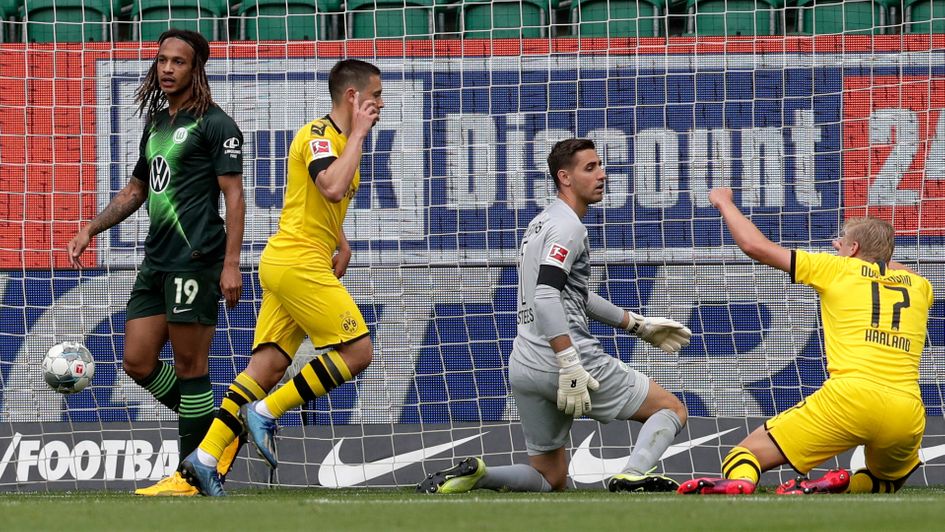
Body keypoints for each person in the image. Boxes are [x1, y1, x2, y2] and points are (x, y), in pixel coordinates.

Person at [417, 138, 692, 494]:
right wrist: (569, 363)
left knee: (550, 477)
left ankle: (480, 475)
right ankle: (634, 473)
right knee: (671, 409)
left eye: (600, 165)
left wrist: (637, 325)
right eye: (590, 168)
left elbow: (570, 293)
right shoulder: (569, 227)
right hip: (566, 360)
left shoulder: (540, 224)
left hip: (525, 364)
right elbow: (546, 295)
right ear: (565, 177)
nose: (602, 175)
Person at [180, 59, 383, 496]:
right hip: (297, 262)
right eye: (375, 96)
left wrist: (341, 241)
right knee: (358, 351)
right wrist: (360, 135)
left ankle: (204, 458)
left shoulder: (344, 142)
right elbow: (330, 186)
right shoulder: (317, 135)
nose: (380, 104)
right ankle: (267, 411)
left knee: (267, 366)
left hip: (294, 260)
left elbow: (314, 200)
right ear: (353, 97)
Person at [67, 29, 246, 496]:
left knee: (190, 368)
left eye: (178, 62)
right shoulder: (156, 122)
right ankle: (220, 436)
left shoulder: (216, 124)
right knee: (137, 361)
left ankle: (190, 476)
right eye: (162, 60)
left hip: (196, 259)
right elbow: (136, 190)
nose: (167, 69)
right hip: (157, 261)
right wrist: (91, 228)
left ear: (196, 69)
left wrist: (231, 264)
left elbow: (234, 196)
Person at [678, 188, 934, 495]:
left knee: (744, 455)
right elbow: (887, 266)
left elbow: (755, 246)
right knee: (889, 480)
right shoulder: (920, 286)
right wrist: (865, 253)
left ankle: (742, 482)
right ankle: (838, 486)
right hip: (906, 410)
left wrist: (724, 202)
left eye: (842, 242)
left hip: (850, 399)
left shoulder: (836, 269)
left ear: (853, 249)